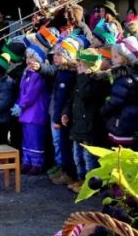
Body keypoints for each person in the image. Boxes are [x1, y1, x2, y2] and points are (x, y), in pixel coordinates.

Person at [64, 48, 110, 192]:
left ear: (91, 67)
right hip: (78, 125)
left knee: (88, 158)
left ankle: (91, 184)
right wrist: (66, 113)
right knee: (78, 157)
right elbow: (72, 99)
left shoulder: (98, 81)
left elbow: (86, 95)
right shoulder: (80, 80)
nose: (79, 68)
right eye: (78, 65)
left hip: (90, 127)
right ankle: (81, 179)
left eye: (82, 65)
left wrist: (84, 77)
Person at [102, 36, 138, 148]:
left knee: (119, 153)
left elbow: (115, 101)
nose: (113, 59)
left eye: (116, 57)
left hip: (121, 121)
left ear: (126, 57)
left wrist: (103, 110)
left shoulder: (122, 79)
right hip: (132, 121)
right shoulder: (136, 76)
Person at [13, 45, 51, 174]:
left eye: (32, 58)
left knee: (35, 138)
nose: (29, 60)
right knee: (27, 138)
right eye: (28, 57)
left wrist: (21, 104)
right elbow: (22, 91)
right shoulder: (26, 72)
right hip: (26, 112)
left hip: (36, 111)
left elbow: (31, 93)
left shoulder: (37, 74)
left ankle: (37, 163)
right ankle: (27, 161)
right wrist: (18, 103)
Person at [47, 39, 78, 186]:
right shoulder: (62, 72)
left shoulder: (69, 75)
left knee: (65, 145)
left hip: (64, 117)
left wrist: (58, 119)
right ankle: (64, 170)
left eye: (59, 55)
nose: (55, 57)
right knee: (60, 145)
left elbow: (64, 99)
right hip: (59, 115)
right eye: (55, 54)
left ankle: (69, 173)